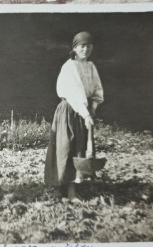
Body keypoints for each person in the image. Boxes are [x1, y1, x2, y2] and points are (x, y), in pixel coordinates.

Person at [44, 31, 104, 199]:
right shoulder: (70, 66)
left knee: (79, 148)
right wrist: (86, 113)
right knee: (64, 147)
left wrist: (93, 106)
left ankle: (72, 190)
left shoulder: (91, 67)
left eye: (89, 46)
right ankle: (57, 186)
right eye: (82, 46)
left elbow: (97, 90)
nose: (85, 49)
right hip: (69, 110)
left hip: (83, 111)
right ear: (75, 48)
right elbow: (74, 93)